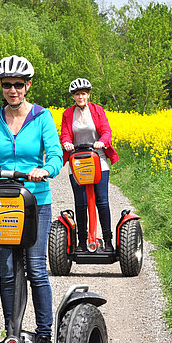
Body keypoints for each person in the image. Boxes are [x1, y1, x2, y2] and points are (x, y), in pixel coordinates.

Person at [0, 55, 63, 343]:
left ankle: (43, 335)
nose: (13, 90)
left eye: (18, 85)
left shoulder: (42, 118)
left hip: (36, 200)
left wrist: (46, 169)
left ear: (28, 86)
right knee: (7, 270)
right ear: (1, 86)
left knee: (37, 269)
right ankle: (12, 334)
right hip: (4, 200)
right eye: (7, 85)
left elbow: (55, 155)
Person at [60, 77, 119, 253]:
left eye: (83, 93)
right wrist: (66, 143)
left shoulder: (97, 110)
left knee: (102, 200)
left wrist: (102, 141)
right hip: (77, 160)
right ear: (73, 96)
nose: (80, 97)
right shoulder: (67, 114)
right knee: (81, 202)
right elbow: (65, 134)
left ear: (88, 94)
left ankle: (108, 241)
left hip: (98, 158)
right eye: (77, 94)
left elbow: (106, 131)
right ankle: (82, 242)